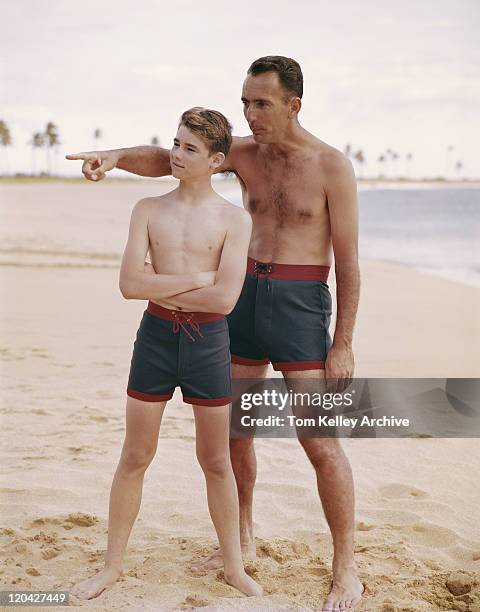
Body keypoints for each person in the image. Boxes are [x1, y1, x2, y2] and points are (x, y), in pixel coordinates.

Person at [67, 56, 363, 611]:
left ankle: (346, 566)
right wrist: (114, 157)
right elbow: (171, 159)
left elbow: (347, 264)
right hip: (243, 298)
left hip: (301, 302)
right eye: (246, 101)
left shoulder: (331, 166)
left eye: (262, 104)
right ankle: (242, 540)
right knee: (236, 432)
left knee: (318, 439)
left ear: (294, 105)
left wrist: (342, 341)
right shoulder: (245, 153)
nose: (250, 114)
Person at [71, 107, 262, 600]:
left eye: (190, 149)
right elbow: (130, 286)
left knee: (216, 460)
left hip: (208, 343)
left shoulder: (233, 220)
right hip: (155, 339)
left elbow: (225, 300)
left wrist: (166, 287)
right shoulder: (148, 209)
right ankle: (112, 566)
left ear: (217, 160)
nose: (177, 155)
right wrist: (197, 279)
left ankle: (235, 567)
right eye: (175, 144)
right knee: (135, 454)